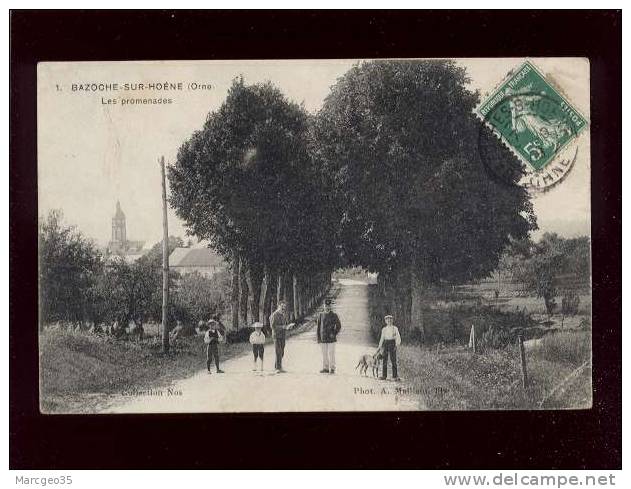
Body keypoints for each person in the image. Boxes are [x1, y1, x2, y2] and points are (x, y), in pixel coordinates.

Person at [316, 298, 342, 374]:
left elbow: (339, 326)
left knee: (331, 353)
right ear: (323, 306)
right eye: (326, 305)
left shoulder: (334, 315)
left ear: (330, 306)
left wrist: (334, 333)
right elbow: (318, 327)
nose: (327, 307)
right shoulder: (320, 315)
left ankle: (332, 368)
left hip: (331, 339)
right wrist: (318, 338)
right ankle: (325, 368)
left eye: (329, 306)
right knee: (324, 354)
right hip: (323, 338)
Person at [269, 300, 294, 373]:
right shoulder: (274, 315)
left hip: (283, 336)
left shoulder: (283, 315)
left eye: (284, 307)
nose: (283, 308)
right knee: (278, 352)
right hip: (276, 336)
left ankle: (278, 366)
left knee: (282, 352)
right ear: (278, 306)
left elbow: (284, 325)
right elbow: (272, 326)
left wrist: (288, 327)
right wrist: (283, 327)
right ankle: (278, 368)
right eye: (282, 306)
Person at [378, 314, 401, 381]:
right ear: (385, 321)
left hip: (392, 343)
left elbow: (398, 337)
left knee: (393, 360)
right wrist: (380, 346)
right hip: (385, 343)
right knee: (384, 359)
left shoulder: (395, 328)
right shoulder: (384, 329)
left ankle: (395, 376)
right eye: (387, 320)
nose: (389, 321)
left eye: (390, 319)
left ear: (392, 320)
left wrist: (397, 345)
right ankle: (384, 376)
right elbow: (382, 338)